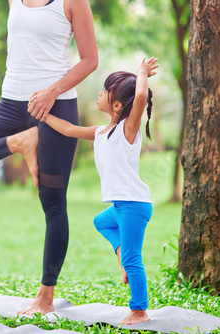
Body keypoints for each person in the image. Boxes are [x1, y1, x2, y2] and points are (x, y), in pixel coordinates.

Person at [0, 0, 98, 315]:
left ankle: (46, 297)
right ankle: (18, 143)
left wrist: (51, 92)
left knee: (52, 203)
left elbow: (90, 60)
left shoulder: (73, 1)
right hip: (10, 106)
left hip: (56, 107)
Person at [39, 56, 159, 325]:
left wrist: (141, 73)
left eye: (105, 91)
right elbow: (69, 129)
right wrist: (44, 116)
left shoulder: (128, 130)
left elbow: (140, 97)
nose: (100, 93)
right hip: (121, 206)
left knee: (133, 257)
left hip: (133, 204)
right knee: (100, 222)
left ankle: (139, 310)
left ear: (116, 104)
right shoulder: (102, 132)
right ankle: (122, 257)